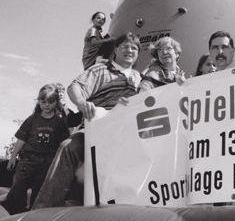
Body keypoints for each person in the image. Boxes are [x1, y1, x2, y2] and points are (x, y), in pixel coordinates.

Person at [32, 33, 141, 209]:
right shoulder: (99, 70)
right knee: (69, 147)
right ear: (116, 49)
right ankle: (43, 209)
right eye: (125, 46)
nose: (130, 50)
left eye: (134, 48)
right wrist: (82, 103)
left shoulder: (139, 78)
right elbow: (75, 87)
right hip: (97, 128)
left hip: (126, 132)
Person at [0, 84, 69, 215]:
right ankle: (13, 213)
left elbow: (63, 143)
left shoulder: (59, 122)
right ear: (39, 102)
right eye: (43, 102)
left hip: (47, 162)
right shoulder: (32, 120)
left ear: (56, 102)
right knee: (18, 187)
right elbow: (21, 139)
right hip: (28, 161)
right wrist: (13, 156)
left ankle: (34, 215)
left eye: (51, 102)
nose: (47, 105)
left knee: (40, 191)